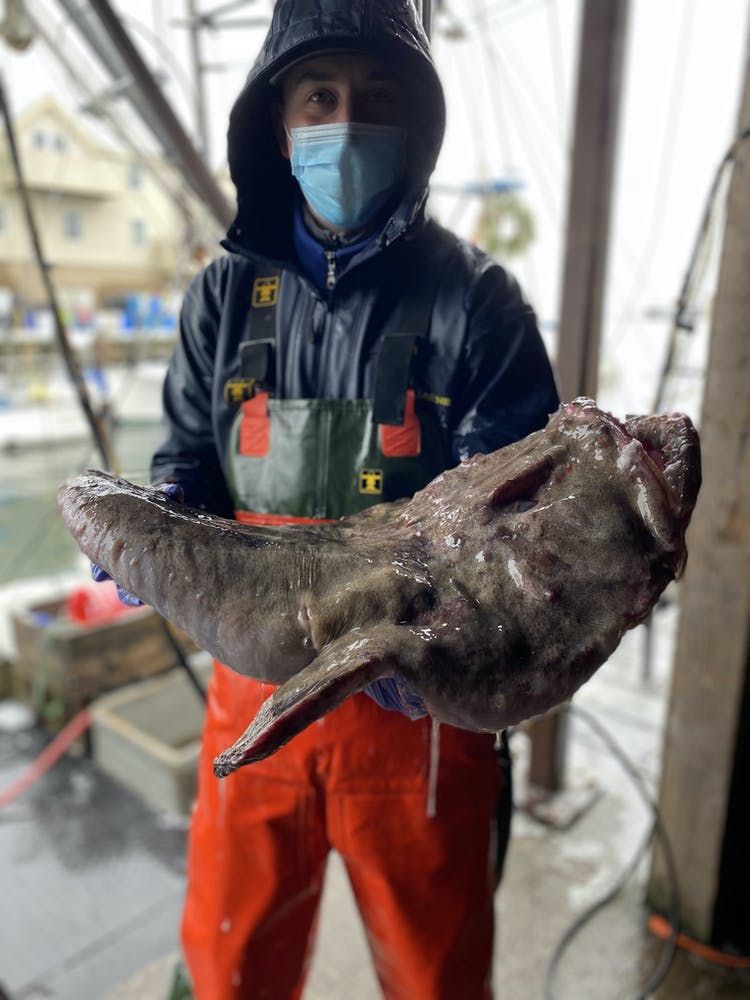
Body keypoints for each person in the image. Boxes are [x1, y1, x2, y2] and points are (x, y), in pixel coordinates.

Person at [139, 2, 559, 997]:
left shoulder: (479, 302)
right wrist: (156, 522)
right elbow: (184, 462)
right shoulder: (221, 297)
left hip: (417, 717)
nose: (344, 119)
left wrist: (442, 655)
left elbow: (516, 544)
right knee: (229, 966)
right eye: (319, 95)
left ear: (415, 120)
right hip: (255, 710)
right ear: (278, 122)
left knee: (435, 976)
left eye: (376, 97)